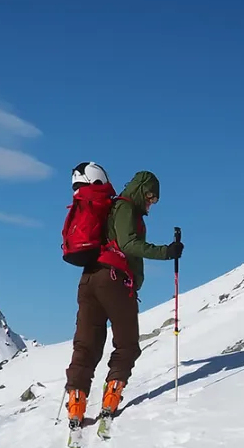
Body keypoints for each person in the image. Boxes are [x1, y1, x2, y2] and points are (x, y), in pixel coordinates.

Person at [63, 169, 184, 429]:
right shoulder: (127, 208)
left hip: (89, 279)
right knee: (127, 344)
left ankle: (76, 402)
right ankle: (111, 398)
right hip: (114, 280)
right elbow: (128, 244)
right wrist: (167, 252)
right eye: (151, 196)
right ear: (141, 190)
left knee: (86, 344)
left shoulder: (112, 208)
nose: (152, 202)